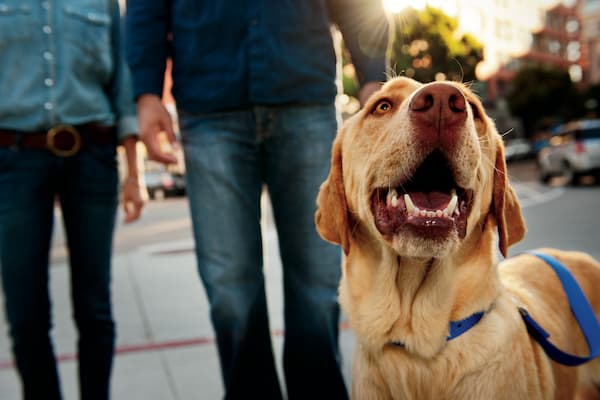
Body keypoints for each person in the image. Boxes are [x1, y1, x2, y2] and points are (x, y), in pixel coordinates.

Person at [126, 1, 389, 398]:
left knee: (318, 282)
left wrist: (373, 75)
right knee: (229, 287)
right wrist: (146, 93)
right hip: (209, 106)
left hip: (305, 99)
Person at [0, 1, 143, 399]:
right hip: (13, 159)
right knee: (24, 308)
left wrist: (134, 173)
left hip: (92, 155)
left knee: (95, 305)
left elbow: (123, 85)